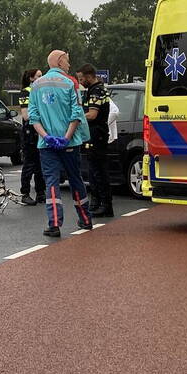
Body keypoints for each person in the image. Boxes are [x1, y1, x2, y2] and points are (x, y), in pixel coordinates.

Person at [28, 49, 92, 237]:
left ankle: (54, 224)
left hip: (47, 145)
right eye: (67, 61)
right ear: (59, 61)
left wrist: (46, 137)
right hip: (69, 143)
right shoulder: (70, 83)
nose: (69, 65)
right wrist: (66, 137)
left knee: (51, 183)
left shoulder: (36, 86)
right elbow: (77, 114)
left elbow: (33, 117)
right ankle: (85, 219)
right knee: (76, 180)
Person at [76, 64, 113, 217]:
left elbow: (92, 114)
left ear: (89, 76)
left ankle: (105, 205)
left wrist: (76, 117)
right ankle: (97, 202)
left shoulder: (96, 91)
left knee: (98, 171)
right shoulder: (96, 89)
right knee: (94, 170)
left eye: (81, 78)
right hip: (96, 134)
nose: (80, 82)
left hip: (96, 134)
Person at [18, 68, 45, 206]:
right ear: (31, 78)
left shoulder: (41, 91)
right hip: (30, 133)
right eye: (39, 76)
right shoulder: (26, 92)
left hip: (40, 132)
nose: (41, 78)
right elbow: (26, 115)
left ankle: (41, 193)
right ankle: (25, 194)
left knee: (40, 165)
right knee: (29, 164)